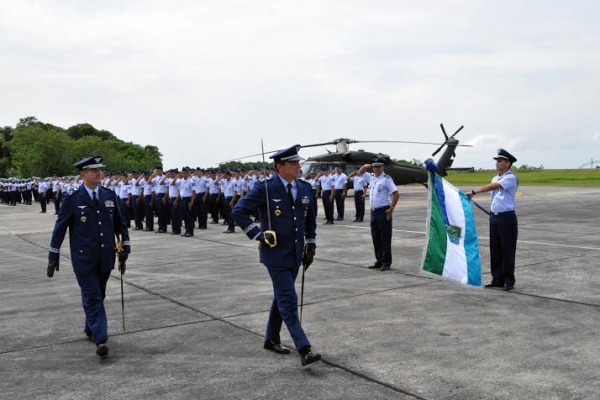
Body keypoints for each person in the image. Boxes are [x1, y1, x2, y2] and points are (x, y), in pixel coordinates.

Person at [232, 144, 321, 366]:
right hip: (275, 254)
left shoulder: (304, 188)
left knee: (282, 296)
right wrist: (258, 234)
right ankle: (304, 348)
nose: (298, 166)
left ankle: (271, 338)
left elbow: (310, 220)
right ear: (280, 167)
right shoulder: (266, 188)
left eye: (298, 162)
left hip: (296, 253)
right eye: (293, 163)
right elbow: (238, 211)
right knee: (289, 300)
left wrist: (311, 245)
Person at [47, 155, 131, 358]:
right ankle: (101, 338)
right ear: (83, 173)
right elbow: (60, 228)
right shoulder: (73, 198)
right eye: (94, 170)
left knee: (99, 295)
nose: (99, 173)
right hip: (83, 258)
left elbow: (120, 224)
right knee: (93, 296)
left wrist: (125, 247)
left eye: (101, 169)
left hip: (105, 256)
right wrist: (53, 254)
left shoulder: (109, 195)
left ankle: (90, 328)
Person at [468, 149, 519, 291]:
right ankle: (497, 279)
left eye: (500, 161)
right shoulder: (495, 177)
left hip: (506, 217)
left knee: (507, 249)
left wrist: (474, 192)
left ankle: (509, 280)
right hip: (495, 217)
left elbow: (493, 187)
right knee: (495, 249)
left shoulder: (510, 178)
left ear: (507, 163)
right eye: (497, 161)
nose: (497, 163)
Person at [357, 158, 399, 271]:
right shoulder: (371, 177)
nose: (376, 169)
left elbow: (395, 193)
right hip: (374, 212)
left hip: (384, 211)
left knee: (385, 237)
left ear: (382, 167)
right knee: (376, 238)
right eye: (375, 166)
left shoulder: (386, 179)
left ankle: (386, 262)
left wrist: (392, 208)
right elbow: (359, 173)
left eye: (379, 166)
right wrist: (366, 166)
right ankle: (379, 260)